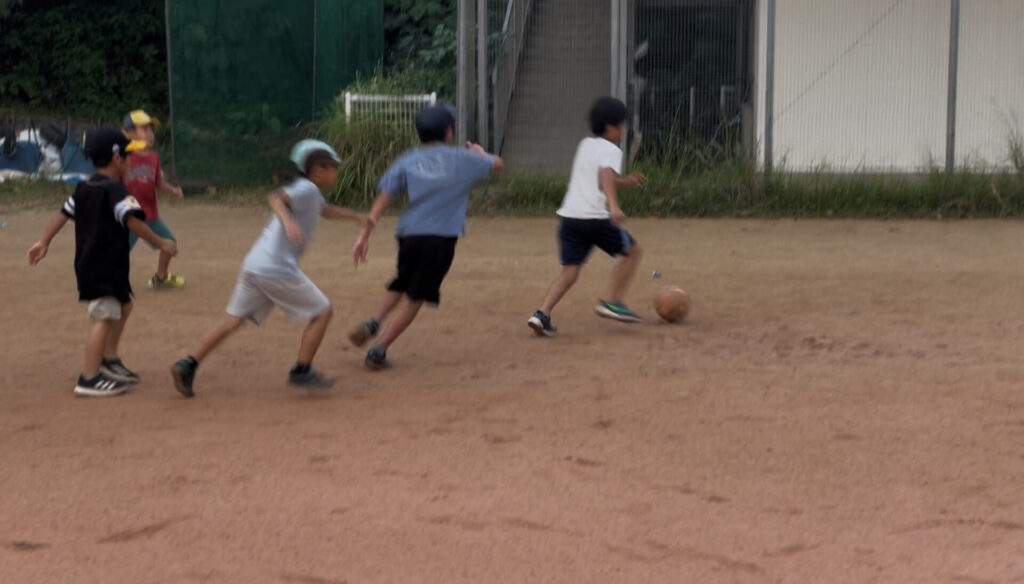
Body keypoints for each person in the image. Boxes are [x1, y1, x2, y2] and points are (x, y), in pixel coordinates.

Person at [170, 140, 369, 397]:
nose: (336, 172)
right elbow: (275, 198)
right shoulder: (306, 188)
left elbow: (326, 211)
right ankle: (301, 369)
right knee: (323, 311)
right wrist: (287, 221)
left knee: (233, 320)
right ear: (317, 170)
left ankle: (188, 364)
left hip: (255, 264)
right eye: (333, 167)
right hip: (276, 268)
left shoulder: (311, 194)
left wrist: (357, 218)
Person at [348, 104, 503, 369]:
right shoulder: (462, 158)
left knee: (401, 282)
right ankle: (380, 349)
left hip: (409, 235)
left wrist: (365, 234)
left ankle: (376, 318)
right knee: (416, 298)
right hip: (440, 239)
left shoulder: (408, 159)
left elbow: (383, 198)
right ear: (448, 132)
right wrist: (480, 152)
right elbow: (498, 164)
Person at [27, 127, 178, 397]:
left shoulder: (85, 187)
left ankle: (109, 359)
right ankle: (89, 377)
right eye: (128, 156)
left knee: (125, 304)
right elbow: (135, 223)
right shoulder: (116, 191)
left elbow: (63, 214)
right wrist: (161, 243)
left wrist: (44, 241)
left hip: (99, 264)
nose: (132, 161)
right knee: (105, 317)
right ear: (116, 157)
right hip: (102, 266)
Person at [527, 96, 647, 337]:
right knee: (633, 252)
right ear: (612, 127)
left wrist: (627, 182)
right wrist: (614, 206)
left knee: (570, 273)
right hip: (594, 219)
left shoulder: (585, 145)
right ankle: (612, 301)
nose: (623, 131)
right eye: (622, 125)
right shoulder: (611, 149)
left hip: (570, 219)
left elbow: (602, 180)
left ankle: (542, 314)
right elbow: (605, 174)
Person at [122, 109, 186, 289]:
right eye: (144, 130)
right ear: (129, 133)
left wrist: (172, 190)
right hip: (130, 217)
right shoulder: (124, 157)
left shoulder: (154, 157)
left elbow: (158, 182)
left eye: (151, 130)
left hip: (150, 215)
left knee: (170, 245)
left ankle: (161, 277)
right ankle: (109, 283)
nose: (150, 134)